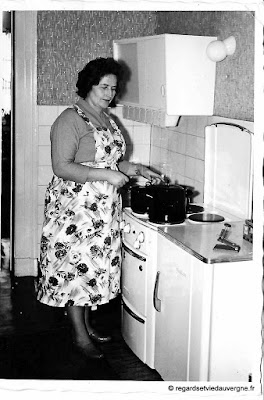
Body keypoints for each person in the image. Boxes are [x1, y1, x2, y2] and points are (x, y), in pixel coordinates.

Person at [37, 57, 162, 359]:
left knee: (90, 270)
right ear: (88, 85)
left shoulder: (106, 118)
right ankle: (79, 335)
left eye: (113, 88)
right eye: (103, 86)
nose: (109, 93)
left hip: (101, 209)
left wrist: (136, 168)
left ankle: (86, 324)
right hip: (75, 210)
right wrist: (108, 175)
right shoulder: (70, 118)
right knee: (75, 272)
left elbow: (109, 162)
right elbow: (62, 166)